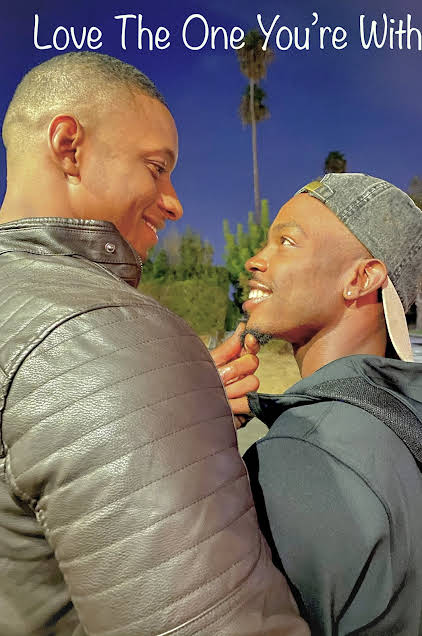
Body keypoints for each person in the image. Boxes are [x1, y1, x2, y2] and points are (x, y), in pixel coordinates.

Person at [0, 52, 309, 636]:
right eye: (156, 167)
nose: (174, 201)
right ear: (69, 147)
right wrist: (133, 371)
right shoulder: (103, 331)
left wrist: (170, 406)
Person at [240, 173, 422, 635]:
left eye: (287, 242)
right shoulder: (402, 417)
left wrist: (191, 442)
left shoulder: (306, 450)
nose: (254, 260)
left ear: (361, 279)